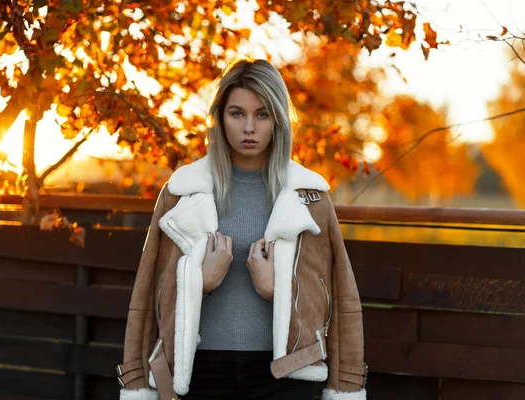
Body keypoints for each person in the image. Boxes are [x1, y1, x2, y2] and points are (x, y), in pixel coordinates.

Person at [116, 59, 367, 400]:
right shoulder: (181, 193)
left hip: (287, 375)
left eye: (262, 114)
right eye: (237, 113)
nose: (249, 127)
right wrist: (199, 284)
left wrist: (277, 290)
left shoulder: (309, 198)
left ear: (278, 118)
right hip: (196, 373)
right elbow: (146, 296)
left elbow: (341, 300)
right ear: (220, 118)